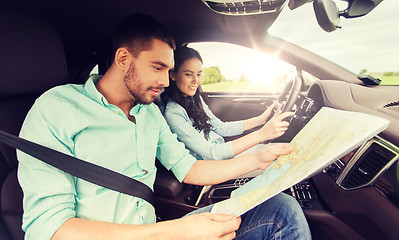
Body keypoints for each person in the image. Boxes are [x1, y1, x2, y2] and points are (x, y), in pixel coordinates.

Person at [17, 13, 311, 240]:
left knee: (280, 210)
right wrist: (174, 231)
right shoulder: (57, 108)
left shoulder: (149, 113)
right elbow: (50, 228)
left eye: (170, 71)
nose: (165, 80)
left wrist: (256, 159)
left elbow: (189, 168)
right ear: (123, 58)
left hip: (154, 232)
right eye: (158, 67)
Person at [161, 46, 294, 162]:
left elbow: (220, 127)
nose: (196, 81)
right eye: (188, 74)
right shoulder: (173, 113)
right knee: (279, 156)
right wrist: (262, 134)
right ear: (173, 75)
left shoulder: (195, 98)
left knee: (281, 149)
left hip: (222, 152)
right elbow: (210, 152)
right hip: (212, 164)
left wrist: (260, 120)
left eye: (199, 74)